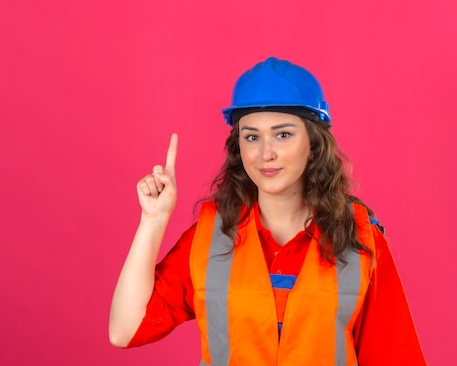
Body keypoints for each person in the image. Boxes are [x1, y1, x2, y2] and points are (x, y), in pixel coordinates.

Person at [109, 57, 428, 365]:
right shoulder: (211, 237)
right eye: (251, 137)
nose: (266, 153)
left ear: (313, 144)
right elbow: (125, 330)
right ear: (239, 147)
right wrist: (153, 220)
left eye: (283, 134)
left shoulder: (360, 239)